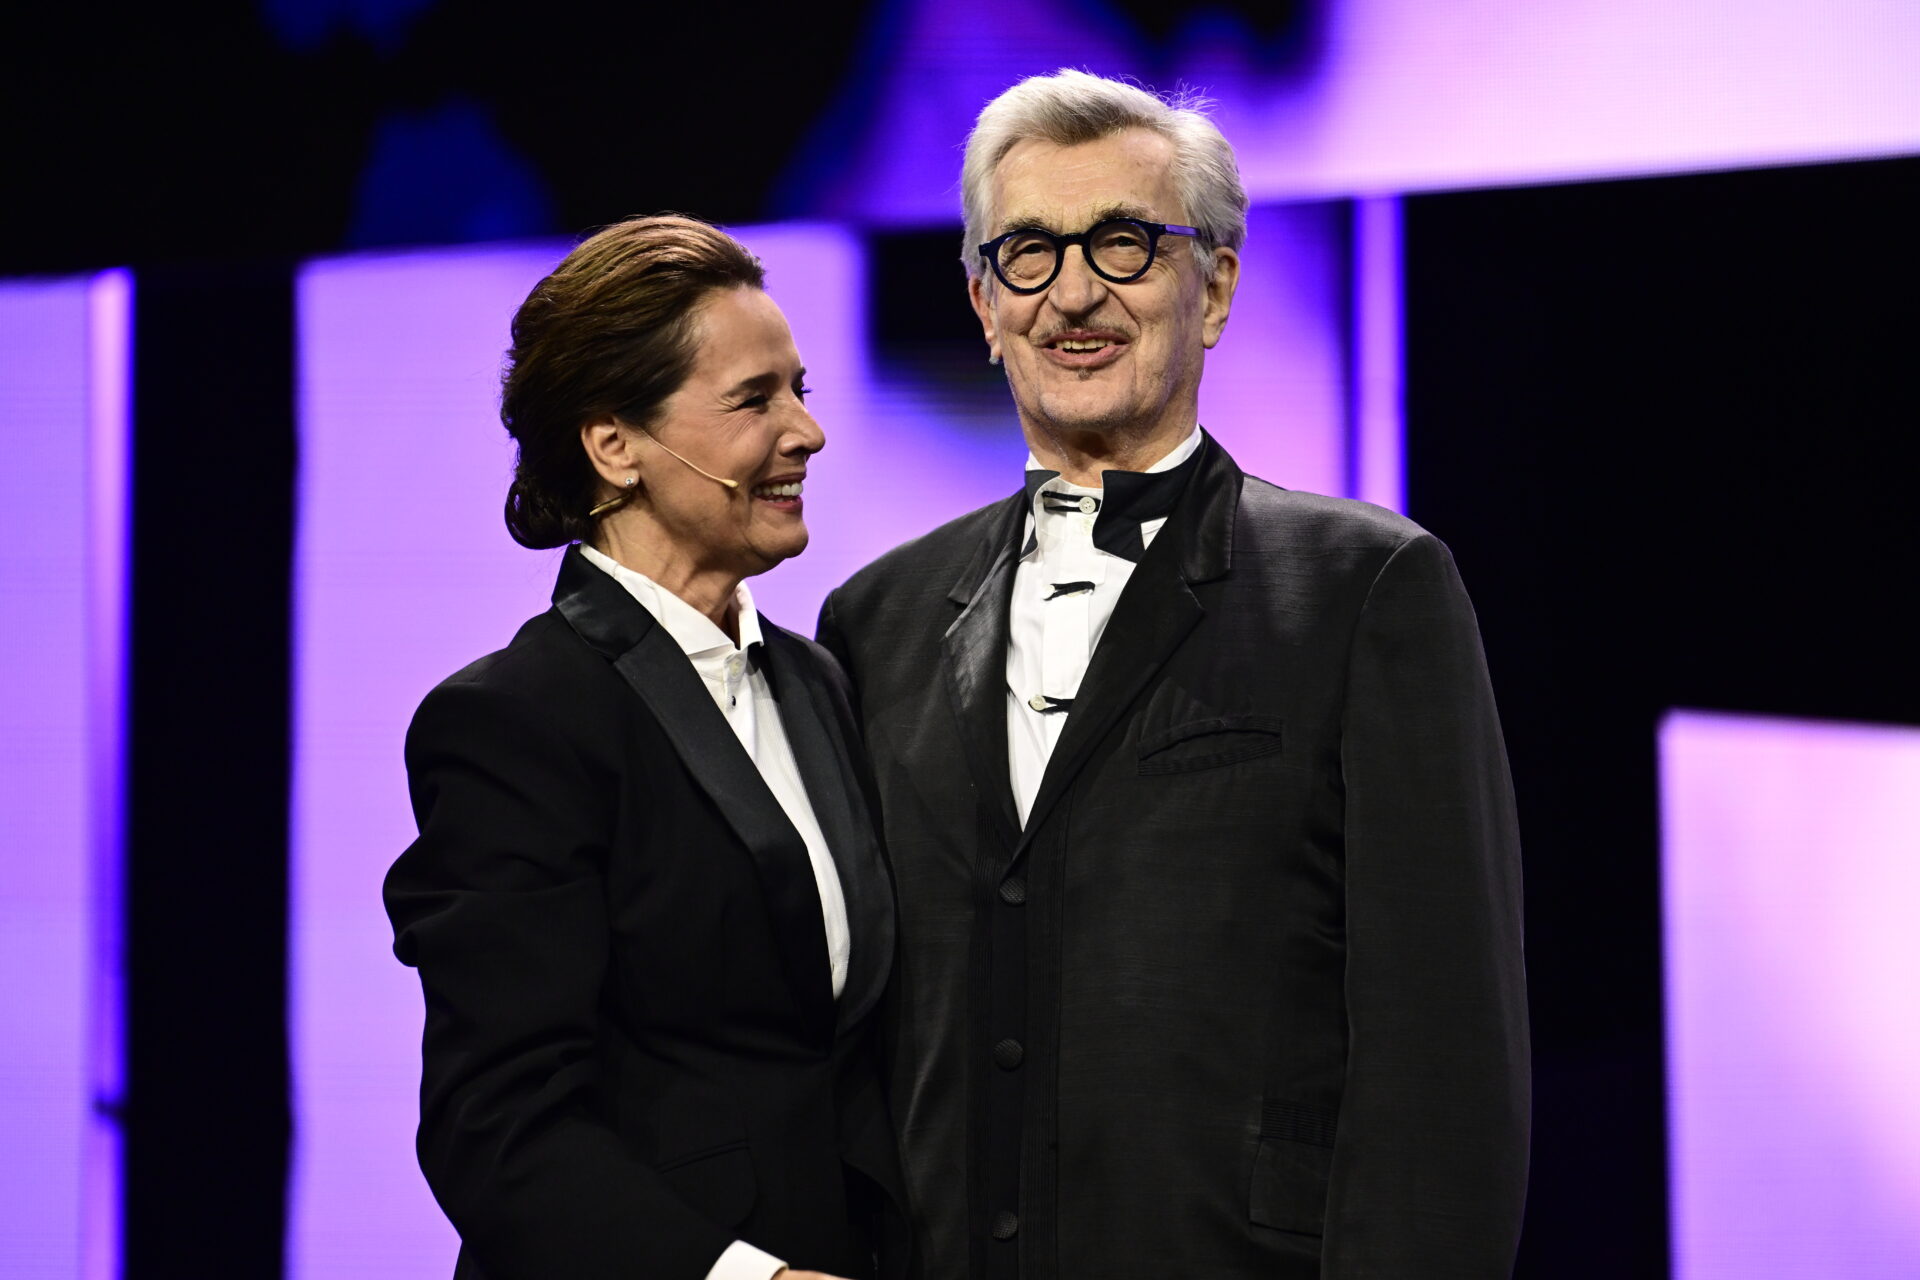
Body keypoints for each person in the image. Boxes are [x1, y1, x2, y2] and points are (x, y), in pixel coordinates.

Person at [817, 71, 1529, 1278]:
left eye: (1126, 243)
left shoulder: (1365, 588)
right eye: (1029, 253)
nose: (1075, 292)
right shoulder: (872, 620)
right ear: (985, 305)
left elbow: (1445, 1060)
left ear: (1218, 288)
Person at [385, 215, 905, 1280]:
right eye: (756, 399)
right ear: (614, 443)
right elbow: (499, 1125)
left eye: (800, 389)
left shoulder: (818, 681)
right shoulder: (515, 722)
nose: (807, 430)